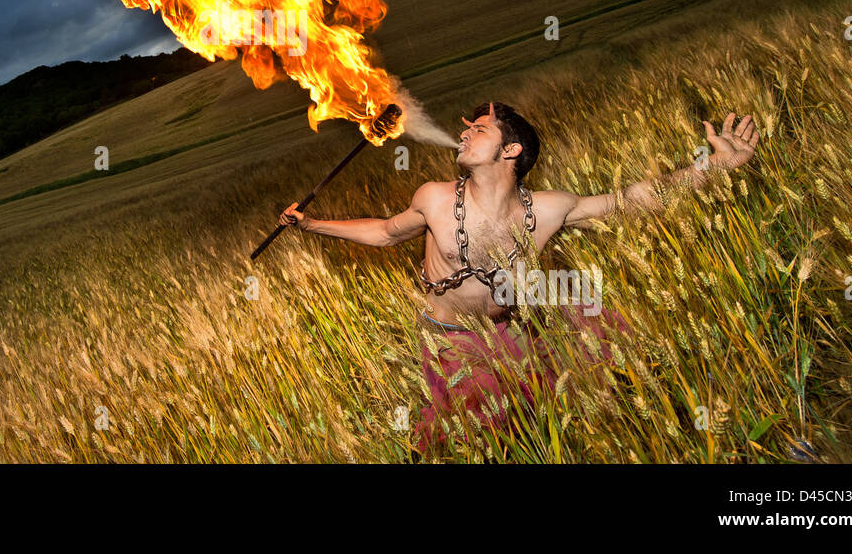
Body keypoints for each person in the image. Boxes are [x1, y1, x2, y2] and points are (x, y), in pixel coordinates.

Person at [278, 101, 760, 456]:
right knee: (466, 443)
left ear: (510, 150)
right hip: (450, 344)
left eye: (479, 129)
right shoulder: (435, 197)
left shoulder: (548, 209)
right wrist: (312, 224)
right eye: (465, 129)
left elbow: (631, 200)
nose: (463, 133)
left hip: (510, 334)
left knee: (542, 423)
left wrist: (714, 165)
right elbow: (385, 233)